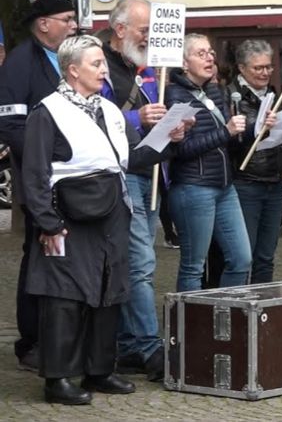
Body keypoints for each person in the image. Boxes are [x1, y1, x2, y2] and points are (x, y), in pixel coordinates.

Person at [20, 35, 186, 404]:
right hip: (68, 215)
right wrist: (48, 223)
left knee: (108, 291)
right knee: (63, 297)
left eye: (103, 63)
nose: (103, 69)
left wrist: (169, 141)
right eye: (95, 64)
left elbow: (131, 158)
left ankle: (99, 370)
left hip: (111, 212)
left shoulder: (109, 110)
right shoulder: (46, 112)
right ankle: (58, 379)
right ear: (72, 69)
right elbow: (32, 175)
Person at [0, 0, 78, 371]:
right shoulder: (20, 62)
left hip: (78, 179)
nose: (73, 25)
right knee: (38, 258)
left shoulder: (72, 59)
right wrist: (48, 153)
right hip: (41, 179)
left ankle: (67, 336)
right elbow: (10, 124)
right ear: (43, 23)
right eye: (66, 18)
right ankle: (31, 340)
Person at [97, 0, 170, 381]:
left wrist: (172, 128)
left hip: (150, 171)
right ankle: (150, 346)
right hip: (123, 175)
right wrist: (135, 116)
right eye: (144, 29)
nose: (149, 36)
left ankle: (128, 346)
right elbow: (93, 114)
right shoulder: (98, 64)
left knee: (135, 263)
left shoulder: (146, 66)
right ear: (120, 29)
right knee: (141, 265)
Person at [165, 34, 256, 292]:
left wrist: (257, 129)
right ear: (184, 63)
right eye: (201, 53)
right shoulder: (174, 94)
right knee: (194, 265)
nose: (210, 58)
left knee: (241, 259)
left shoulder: (213, 90)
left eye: (211, 53)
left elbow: (230, 141)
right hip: (194, 187)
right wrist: (225, 131)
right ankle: (189, 326)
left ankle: (224, 318)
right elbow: (181, 149)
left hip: (224, 186)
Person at [226, 39, 282, 284]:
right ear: (242, 68)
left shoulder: (275, 94)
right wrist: (259, 129)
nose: (265, 72)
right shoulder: (231, 97)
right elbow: (232, 142)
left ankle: (263, 306)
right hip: (247, 182)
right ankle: (243, 308)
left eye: (268, 67)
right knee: (245, 254)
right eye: (258, 68)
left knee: (267, 254)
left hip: (274, 181)